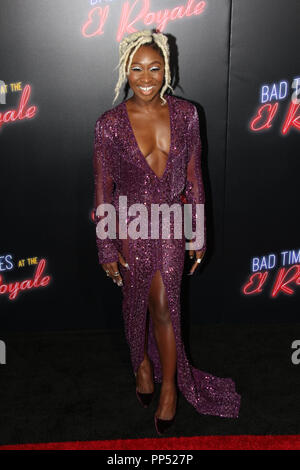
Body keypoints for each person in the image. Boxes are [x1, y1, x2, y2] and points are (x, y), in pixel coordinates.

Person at [93, 29, 241, 435]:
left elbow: (194, 179)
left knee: (163, 305)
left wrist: (198, 235)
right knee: (133, 304)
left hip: (172, 224)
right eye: (137, 68)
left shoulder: (187, 114)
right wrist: (106, 247)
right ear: (125, 70)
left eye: (155, 68)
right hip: (130, 224)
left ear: (166, 69)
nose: (146, 76)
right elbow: (103, 188)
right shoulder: (108, 125)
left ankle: (170, 388)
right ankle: (140, 362)